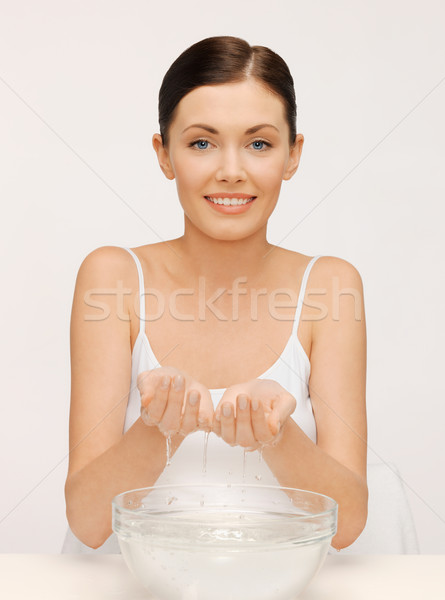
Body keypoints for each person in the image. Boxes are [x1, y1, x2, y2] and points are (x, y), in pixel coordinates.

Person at [63, 35, 367, 554]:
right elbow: (89, 523)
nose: (231, 169)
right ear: (164, 155)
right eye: (201, 142)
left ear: (293, 155)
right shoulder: (112, 277)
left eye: (259, 143)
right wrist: (157, 429)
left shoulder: (331, 286)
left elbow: (349, 523)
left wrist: (277, 435)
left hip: (280, 583)